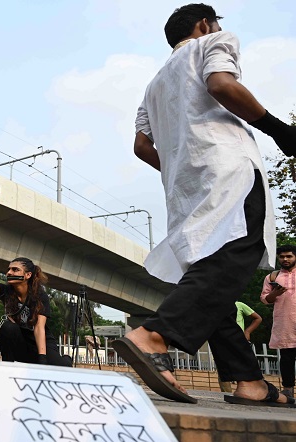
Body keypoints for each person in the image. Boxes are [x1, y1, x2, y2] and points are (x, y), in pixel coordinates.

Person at [114, 3, 296, 407]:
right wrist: (282, 133)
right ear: (204, 25)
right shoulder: (215, 41)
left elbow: (142, 146)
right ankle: (154, 335)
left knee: (213, 279)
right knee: (236, 254)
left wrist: (178, 166)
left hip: (186, 188)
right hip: (228, 170)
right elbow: (221, 85)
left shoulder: (155, 84)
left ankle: (248, 381)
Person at [0, 257, 71, 367]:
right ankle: (7, 366)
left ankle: (66, 359)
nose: (9, 272)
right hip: (20, 341)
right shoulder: (6, 291)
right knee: (8, 327)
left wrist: (42, 358)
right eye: (9, 269)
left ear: (28, 275)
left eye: (15, 270)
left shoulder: (40, 296)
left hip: (38, 341)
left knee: (60, 367)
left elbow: (39, 327)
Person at [261, 244, 296, 398]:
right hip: (285, 323)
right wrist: (274, 293)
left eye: (289, 256)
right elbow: (265, 299)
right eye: (282, 256)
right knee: (287, 357)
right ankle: (288, 390)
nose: (285, 259)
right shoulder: (272, 277)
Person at [219, 301, 263, 392]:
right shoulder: (218, 305)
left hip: (238, 340)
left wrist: (247, 331)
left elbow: (258, 318)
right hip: (223, 341)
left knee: (246, 363)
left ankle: (253, 390)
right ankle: (226, 392)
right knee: (224, 366)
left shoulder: (239, 305)